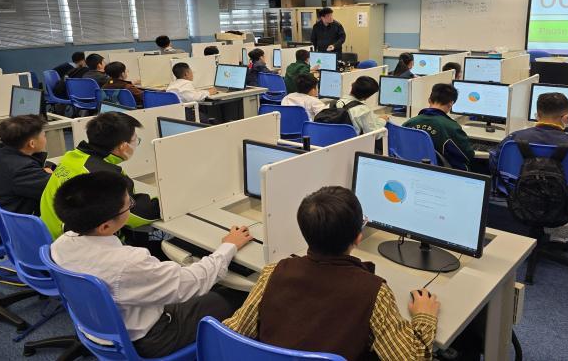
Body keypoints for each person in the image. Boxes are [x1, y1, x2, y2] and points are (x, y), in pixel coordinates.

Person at [51, 171, 252, 358]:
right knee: (240, 296)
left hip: (97, 327)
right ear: (105, 226)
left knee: (211, 286)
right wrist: (228, 246)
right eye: (129, 204)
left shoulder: (60, 245)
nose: (132, 205)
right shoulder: (128, 263)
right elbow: (192, 282)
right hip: (151, 339)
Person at [224, 186, 438, 361]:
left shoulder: (273, 272)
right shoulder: (375, 293)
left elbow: (234, 332)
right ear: (358, 237)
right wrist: (424, 317)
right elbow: (412, 358)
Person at [489, 92, 568, 240]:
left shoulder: (513, 138)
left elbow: (493, 164)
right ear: (566, 118)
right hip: (563, 199)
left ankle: (539, 228)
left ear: (537, 115)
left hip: (519, 194)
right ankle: (555, 227)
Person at [40, 112, 159, 240]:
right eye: (135, 140)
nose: (136, 144)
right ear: (123, 146)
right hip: (76, 243)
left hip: (51, 235)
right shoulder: (102, 175)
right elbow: (135, 213)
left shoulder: (72, 157)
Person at [0, 115, 52, 244]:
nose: (45, 138)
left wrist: (42, 172)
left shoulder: (1, 154)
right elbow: (53, 190)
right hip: (1, 232)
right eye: (44, 135)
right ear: (32, 143)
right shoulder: (22, 169)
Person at [403, 83, 474, 170]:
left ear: (429, 100)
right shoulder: (451, 127)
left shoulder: (409, 123)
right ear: (451, 103)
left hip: (410, 168)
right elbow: (468, 155)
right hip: (441, 172)